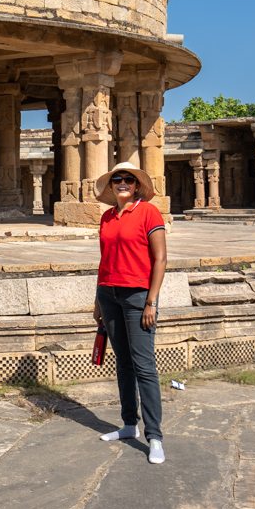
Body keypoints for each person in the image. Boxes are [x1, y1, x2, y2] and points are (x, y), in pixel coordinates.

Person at [92, 161, 167, 464]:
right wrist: (97, 298)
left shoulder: (148, 212)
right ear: (111, 187)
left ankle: (155, 437)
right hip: (109, 293)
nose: (122, 183)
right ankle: (128, 424)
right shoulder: (108, 217)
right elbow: (104, 258)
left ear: (137, 186)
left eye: (128, 180)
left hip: (138, 295)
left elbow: (160, 259)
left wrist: (151, 302)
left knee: (144, 366)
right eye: (117, 180)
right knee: (123, 363)